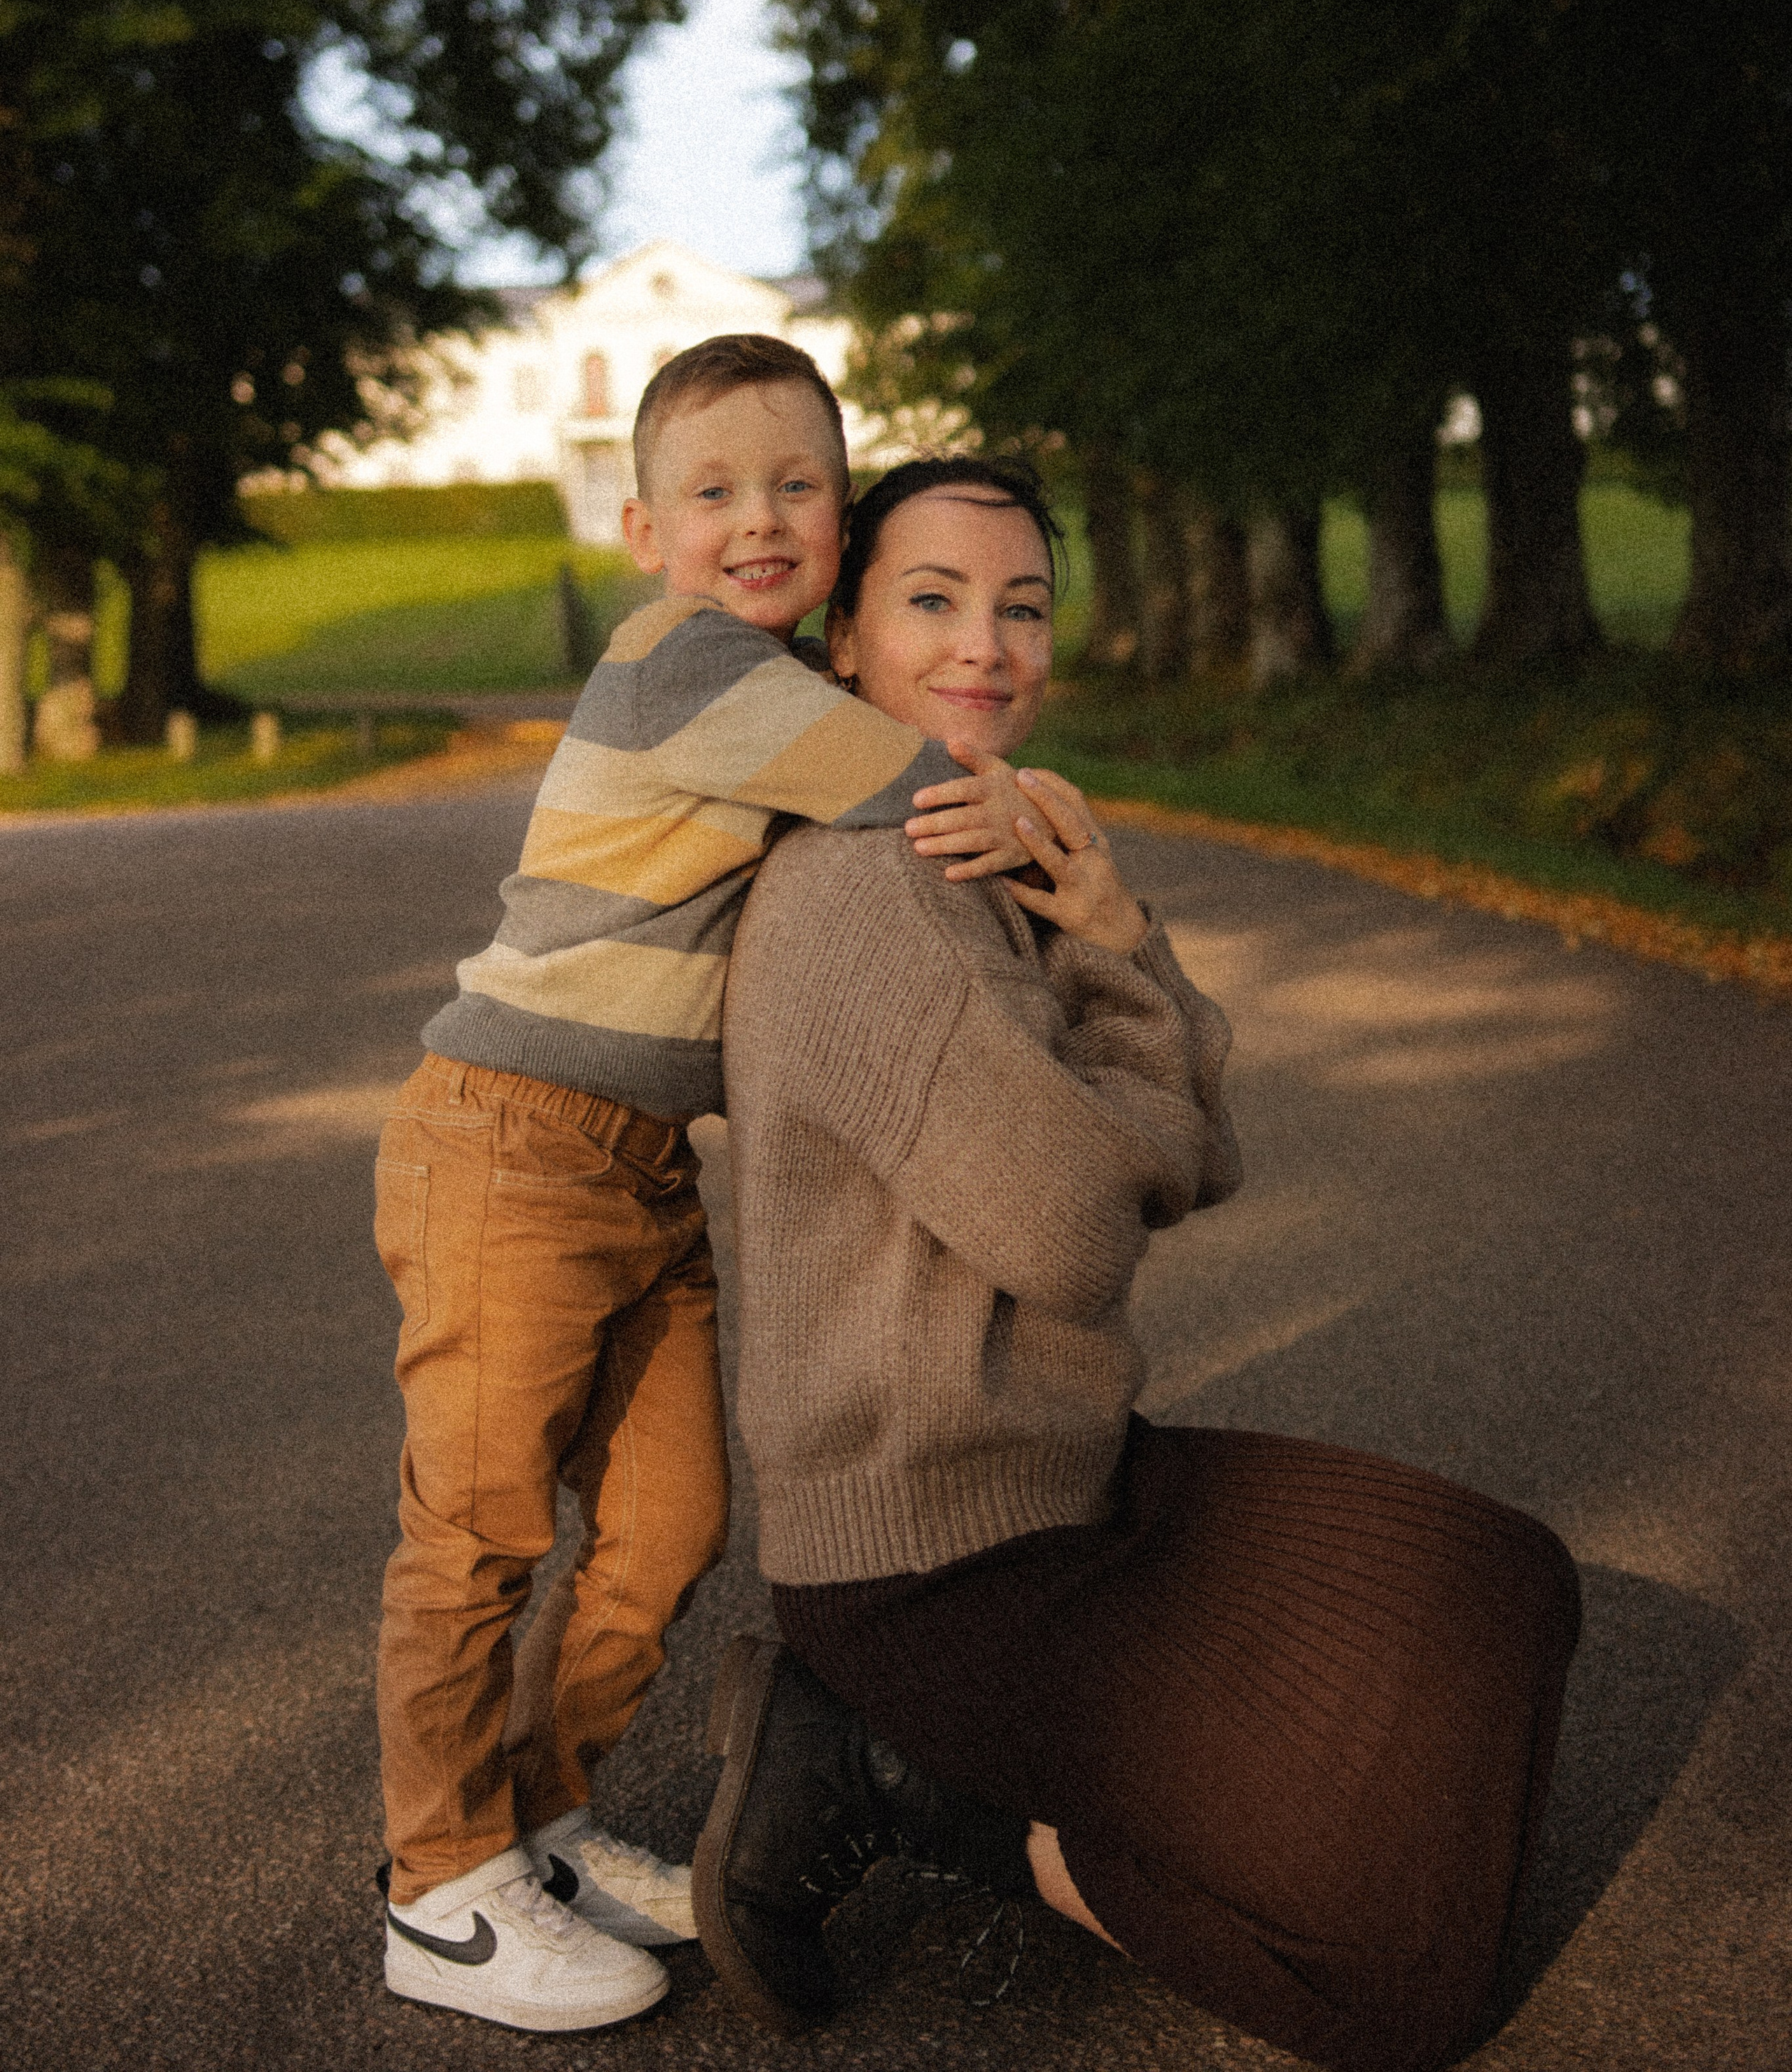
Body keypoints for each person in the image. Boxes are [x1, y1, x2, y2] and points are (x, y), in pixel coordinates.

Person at [698, 456, 1583, 2072]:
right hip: (934, 1565)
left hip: (1081, 1478)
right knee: (1396, 1984)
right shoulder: (859, 890)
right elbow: (1080, 1232)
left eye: (1022, 607)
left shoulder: (978, 855)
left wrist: (1106, 923)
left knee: (1505, 1583)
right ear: (844, 641)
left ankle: (950, 1766)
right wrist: (1118, 995)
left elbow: (1198, 1151)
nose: (986, 646)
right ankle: (906, 1784)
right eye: (932, 600)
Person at [370, 344, 1029, 2033]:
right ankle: (437, 1888)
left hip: (639, 1167)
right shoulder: (684, 664)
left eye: (798, 487)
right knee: (476, 1533)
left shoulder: (768, 680)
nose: (759, 519)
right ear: (645, 532)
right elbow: (914, 787)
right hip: (508, 1143)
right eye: (714, 492)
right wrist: (1055, 835)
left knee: (670, 1525)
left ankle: (538, 1825)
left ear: (840, 514)